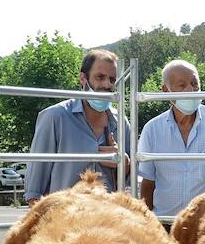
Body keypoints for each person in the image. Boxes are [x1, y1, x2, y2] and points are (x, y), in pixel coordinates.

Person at [138, 59, 205, 216]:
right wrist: (146, 225)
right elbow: (148, 183)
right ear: (166, 91)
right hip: (166, 223)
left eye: (194, 84)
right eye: (182, 85)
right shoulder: (152, 130)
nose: (190, 89)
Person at [24, 49, 129, 205]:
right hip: (65, 222)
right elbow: (34, 192)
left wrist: (124, 164)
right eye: (100, 77)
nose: (107, 85)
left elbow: (130, 186)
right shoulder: (54, 117)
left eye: (112, 80)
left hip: (107, 222)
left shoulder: (122, 122)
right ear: (82, 78)